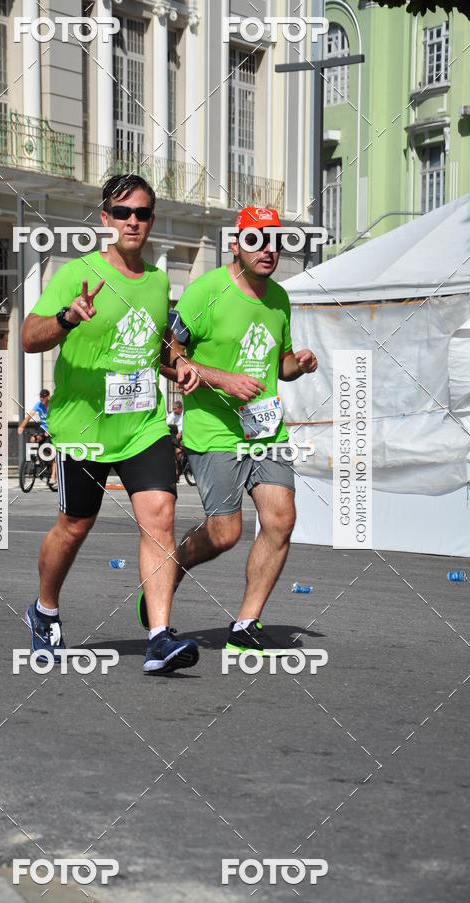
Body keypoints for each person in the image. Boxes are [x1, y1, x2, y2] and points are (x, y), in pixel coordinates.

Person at [20, 173, 200, 675]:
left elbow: (156, 347)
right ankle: (44, 610)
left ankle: (159, 637)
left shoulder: (159, 282)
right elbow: (29, 338)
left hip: (143, 425)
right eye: (123, 213)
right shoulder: (75, 274)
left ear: (152, 220)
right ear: (106, 219)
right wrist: (68, 317)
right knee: (75, 525)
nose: (132, 221)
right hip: (83, 428)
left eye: (142, 213)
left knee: (161, 515)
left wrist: (181, 365)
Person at [137, 207, 317, 654]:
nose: (267, 249)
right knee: (225, 533)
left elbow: (280, 365)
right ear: (235, 244)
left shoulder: (279, 298)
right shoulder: (206, 291)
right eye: (256, 240)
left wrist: (299, 364)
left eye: (275, 241)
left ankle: (245, 625)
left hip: (265, 429)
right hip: (215, 431)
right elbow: (164, 355)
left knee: (281, 519)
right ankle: (171, 568)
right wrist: (222, 379)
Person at [17, 388, 57, 488]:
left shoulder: (53, 406)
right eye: (40, 397)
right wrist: (22, 426)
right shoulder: (38, 405)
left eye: (43, 397)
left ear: (48, 397)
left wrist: (51, 430)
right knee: (33, 438)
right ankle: (35, 458)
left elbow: (57, 419)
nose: (41, 398)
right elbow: (29, 416)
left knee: (53, 453)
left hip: (53, 429)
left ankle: (53, 476)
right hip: (43, 428)